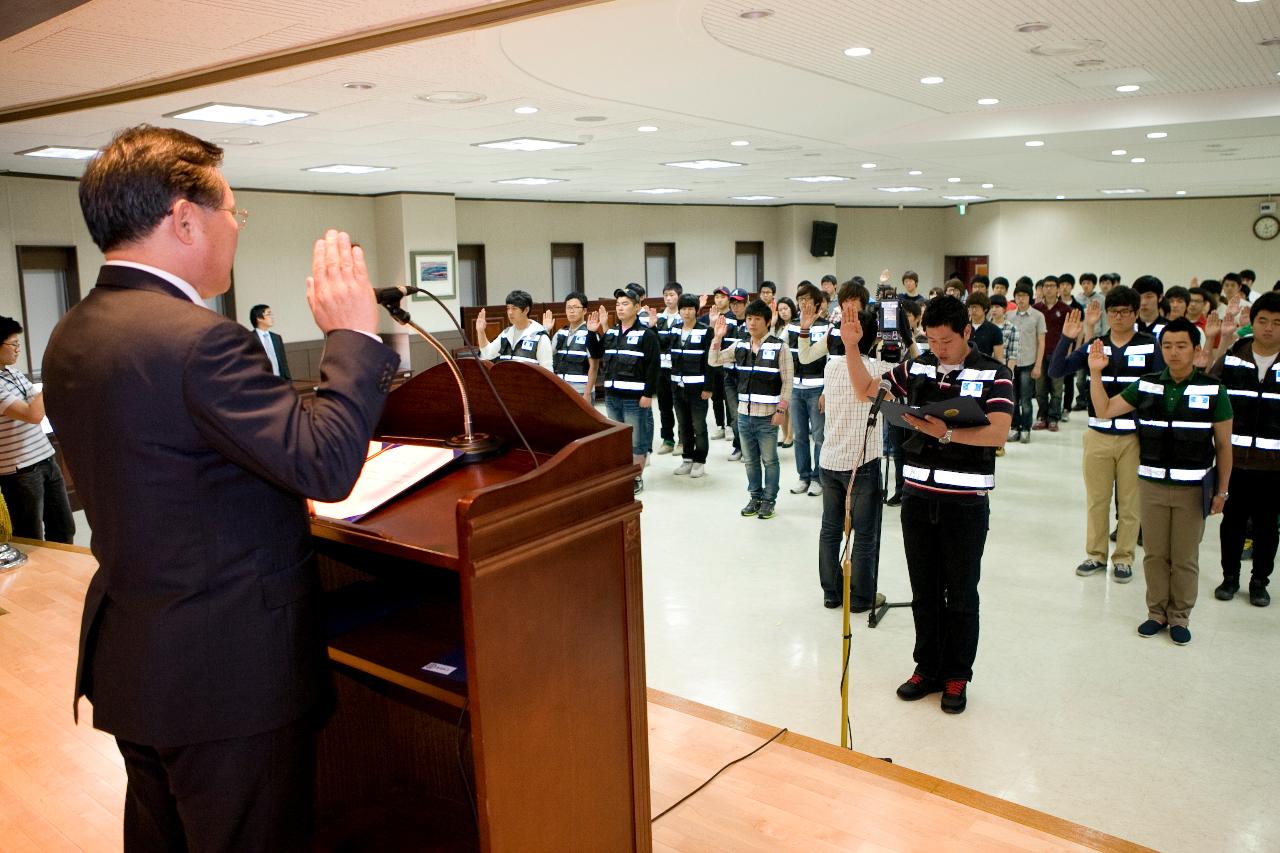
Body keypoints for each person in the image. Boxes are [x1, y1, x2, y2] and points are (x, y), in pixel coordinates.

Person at [42, 125, 402, 851]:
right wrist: (355, 337)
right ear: (183, 217)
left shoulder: (73, 333)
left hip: (138, 663)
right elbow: (327, 465)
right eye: (233, 209)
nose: (237, 226)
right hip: (228, 681)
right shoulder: (201, 340)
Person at [843, 296, 1012, 714]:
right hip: (918, 498)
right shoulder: (916, 366)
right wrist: (851, 346)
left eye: (948, 341)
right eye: (932, 340)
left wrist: (947, 434)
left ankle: (957, 674)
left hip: (964, 503)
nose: (940, 349)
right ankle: (927, 667)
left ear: (967, 332)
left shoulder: (995, 374)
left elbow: (998, 433)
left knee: (961, 592)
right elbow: (868, 391)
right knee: (924, 590)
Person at [1088, 318, 1233, 645]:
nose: (1173, 352)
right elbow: (1105, 408)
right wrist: (1096, 373)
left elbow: (1224, 446)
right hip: (1151, 486)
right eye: (1167, 346)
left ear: (1196, 350)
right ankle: (1156, 612)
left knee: (1184, 556)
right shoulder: (1147, 384)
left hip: (1192, 489)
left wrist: (1222, 490)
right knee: (1154, 554)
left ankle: (1179, 615)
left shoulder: (1212, 389)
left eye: (1181, 346)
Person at [1050, 287, 1161, 584]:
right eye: (1114, 312)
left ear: (1136, 314)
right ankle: (1095, 555)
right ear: (1107, 315)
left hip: (1133, 438)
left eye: (1126, 311)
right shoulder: (1096, 345)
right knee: (1097, 500)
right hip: (1098, 434)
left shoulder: (1150, 346)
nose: (1119, 317)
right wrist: (1067, 338)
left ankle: (1124, 557)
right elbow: (1057, 369)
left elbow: (1160, 388)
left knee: (1129, 502)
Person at [817, 289, 892, 611]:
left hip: (830, 459)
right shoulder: (878, 369)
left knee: (830, 529)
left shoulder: (831, 366)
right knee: (864, 536)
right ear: (873, 339)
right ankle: (861, 598)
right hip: (862, 463)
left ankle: (832, 593)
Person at [1209, 292, 1280, 607]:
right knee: (1233, 522)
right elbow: (1210, 388)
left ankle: (1259, 581)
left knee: (1267, 526)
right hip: (1234, 460)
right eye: (1263, 321)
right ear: (1252, 322)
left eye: (1278, 323)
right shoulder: (1236, 354)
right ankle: (1230, 576)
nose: (1269, 329)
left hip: (1273, 465)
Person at [709, 299, 793, 519]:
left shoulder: (779, 347)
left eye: (757, 319)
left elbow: (788, 381)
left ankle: (769, 500)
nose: (752, 323)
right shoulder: (740, 345)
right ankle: (754, 496)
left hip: (768, 416)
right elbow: (714, 360)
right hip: (744, 415)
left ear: (767, 321)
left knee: (770, 460)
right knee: (751, 461)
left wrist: (781, 410)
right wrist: (717, 337)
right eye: (749, 319)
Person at [0, 316, 75, 543]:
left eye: (18, 344)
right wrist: (49, 379)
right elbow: (32, 414)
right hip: (20, 470)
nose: (17, 349)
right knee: (30, 536)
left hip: (45, 458)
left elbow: (43, 403)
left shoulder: (13, 373)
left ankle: (61, 576)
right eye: (13, 344)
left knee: (63, 527)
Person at [589, 283, 660, 494]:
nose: (620, 308)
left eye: (625, 304)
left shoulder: (647, 335)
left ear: (637, 307)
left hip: (635, 398)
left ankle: (637, 477)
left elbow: (653, 367)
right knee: (619, 439)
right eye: (618, 304)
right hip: (612, 396)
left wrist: (648, 394)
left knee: (637, 439)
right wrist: (593, 334)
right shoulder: (610, 333)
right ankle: (623, 475)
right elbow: (596, 353)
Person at [787, 284, 827, 497]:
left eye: (807, 299)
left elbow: (830, 361)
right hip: (795, 388)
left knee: (819, 436)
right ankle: (803, 476)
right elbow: (784, 355)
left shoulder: (826, 327)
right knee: (800, 436)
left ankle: (817, 478)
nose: (803, 303)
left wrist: (826, 392)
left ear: (817, 303)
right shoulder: (792, 326)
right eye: (800, 299)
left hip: (817, 388)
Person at [669, 293, 713, 477]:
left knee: (699, 425)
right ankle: (687, 458)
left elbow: (710, 362)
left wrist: (708, 387)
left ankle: (699, 460)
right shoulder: (674, 329)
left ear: (696, 310)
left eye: (690, 308)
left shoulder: (705, 331)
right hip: (677, 387)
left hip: (698, 388)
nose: (686, 312)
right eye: (683, 309)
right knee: (683, 424)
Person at [474, 289, 553, 369]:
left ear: (526, 310)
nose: (510, 312)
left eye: (514, 308)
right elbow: (487, 354)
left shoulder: (540, 337)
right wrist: (480, 332)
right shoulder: (506, 334)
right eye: (508, 308)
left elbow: (548, 372)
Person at [1008, 282, 1046, 443]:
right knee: (1013, 399)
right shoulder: (1009, 316)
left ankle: (1026, 429)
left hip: (1028, 363)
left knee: (1026, 400)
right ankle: (1015, 427)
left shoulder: (1038, 316)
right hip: (1011, 364)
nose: (1020, 299)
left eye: (1023, 296)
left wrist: (1038, 365)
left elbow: (1041, 342)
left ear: (1029, 297)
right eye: (1017, 296)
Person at [544, 290, 597, 398]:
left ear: (584, 311)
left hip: (581, 391)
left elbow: (594, 366)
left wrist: (587, 393)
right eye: (568, 308)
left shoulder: (590, 334)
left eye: (576, 307)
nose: (571, 311)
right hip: (560, 389)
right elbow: (546, 355)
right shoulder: (560, 333)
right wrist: (546, 331)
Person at [1033, 275, 1069, 431]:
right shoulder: (1035, 309)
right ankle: (1042, 416)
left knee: (1056, 389)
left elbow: (1069, 335)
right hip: (1039, 355)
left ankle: (1054, 418)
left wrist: (1068, 353)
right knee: (1040, 389)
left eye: (1052, 286)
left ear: (1058, 289)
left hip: (1058, 355)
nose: (1048, 289)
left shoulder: (1065, 310)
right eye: (1045, 286)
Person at [654, 282, 683, 455]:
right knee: (664, 406)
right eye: (666, 295)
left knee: (680, 405)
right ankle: (668, 439)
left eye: (672, 295)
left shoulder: (684, 317)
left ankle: (683, 440)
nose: (668, 298)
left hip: (678, 369)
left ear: (678, 296)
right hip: (661, 368)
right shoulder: (658, 318)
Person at [774, 296, 798, 447]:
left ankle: (790, 436)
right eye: (780, 309)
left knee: (790, 404)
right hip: (777, 368)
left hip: (792, 367)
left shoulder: (795, 325)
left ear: (792, 309)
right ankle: (784, 435)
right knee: (781, 403)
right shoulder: (777, 327)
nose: (783, 312)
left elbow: (780, 342)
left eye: (786, 309)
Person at [249, 304, 291, 380]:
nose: (272, 317)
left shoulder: (277, 338)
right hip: (261, 382)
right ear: (259, 318)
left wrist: (288, 380)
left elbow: (283, 362)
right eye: (268, 314)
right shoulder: (249, 338)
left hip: (279, 380)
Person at [965, 292, 1004, 362]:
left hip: (985, 369)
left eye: (976, 307)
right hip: (964, 367)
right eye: (971, 307)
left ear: (985, 309)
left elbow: (999, 358)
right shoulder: (963, 327)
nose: (973, 310)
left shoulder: (995, 330)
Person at [1133, 275, 1167, 339]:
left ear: (1160, 297)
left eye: (1149, 297)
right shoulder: (1128, 327)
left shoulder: (1169, 328)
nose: (1143, 302)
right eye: (1139, 297)